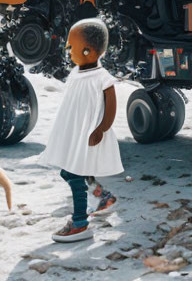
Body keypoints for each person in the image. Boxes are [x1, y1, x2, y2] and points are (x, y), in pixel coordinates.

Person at [40, 18, 122, 243]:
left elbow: (111, 107)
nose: (67, 50)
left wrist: (101, 129)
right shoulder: (77, 73)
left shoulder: (102, 78)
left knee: (74, 174)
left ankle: (80, 223)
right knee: (68, 171)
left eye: (71, 46)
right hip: (73, 132)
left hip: (89, 134)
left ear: (88, 50)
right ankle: (101, 195)